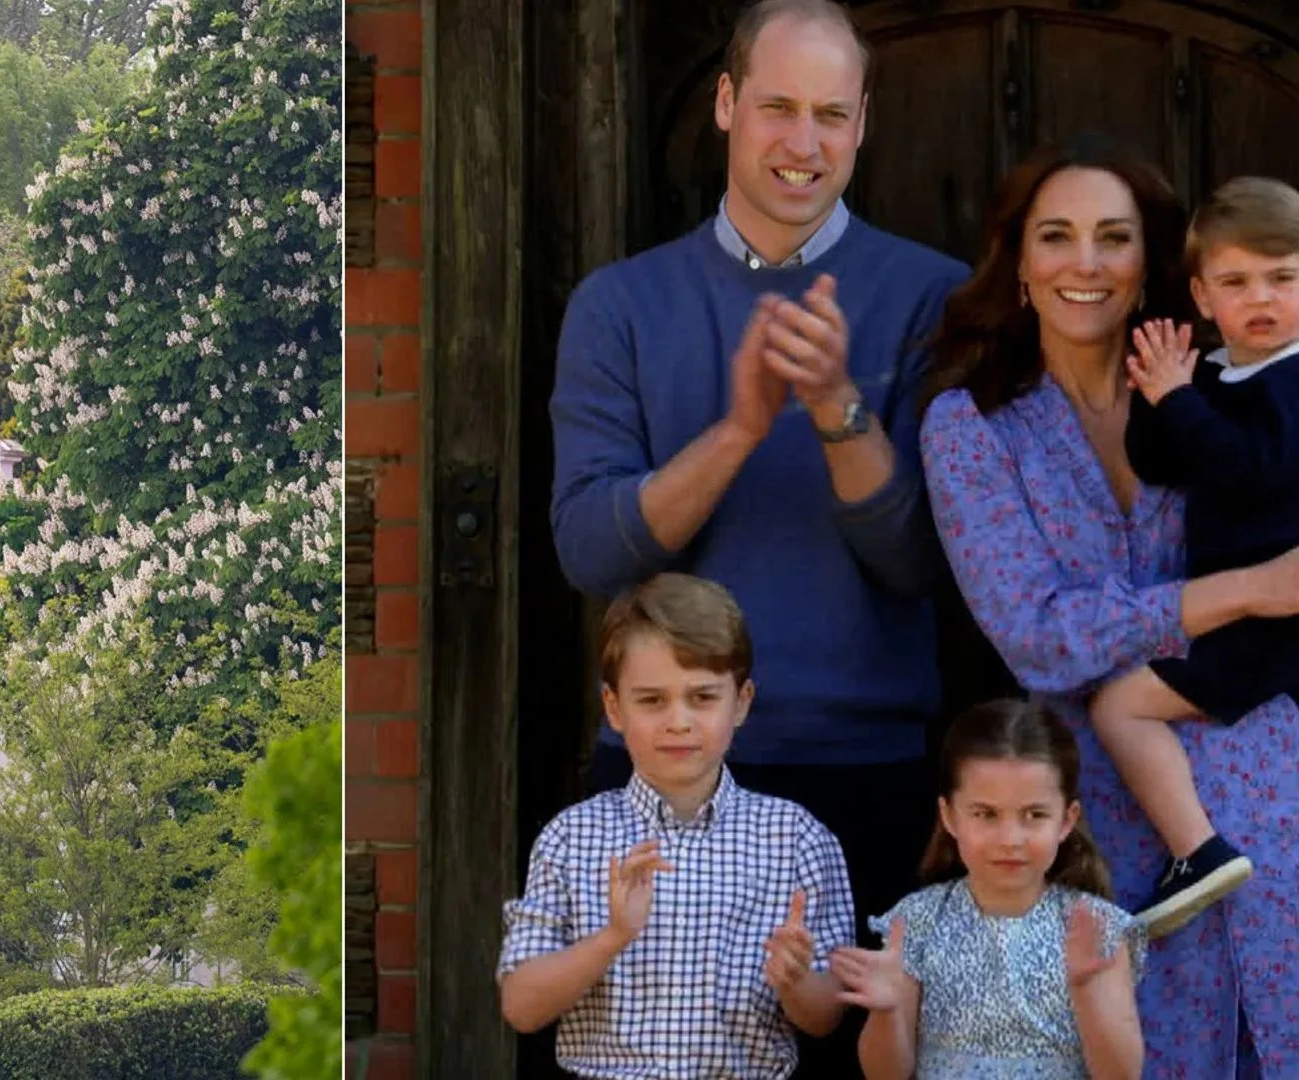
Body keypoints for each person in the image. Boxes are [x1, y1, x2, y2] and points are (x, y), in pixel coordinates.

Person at [548, 2, 965, 1069]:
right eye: (778, 107)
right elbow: (591, 554)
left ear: (864, 123)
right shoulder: (620, 305)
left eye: (832, 114)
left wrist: (834, 408)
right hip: (660, 781)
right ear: (727, 105)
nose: (804, 142)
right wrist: (738, 428)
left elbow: (923, 560)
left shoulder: (934, 299)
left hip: (869, 772)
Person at [920, 132, 1299, 1075]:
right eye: (1056, 237)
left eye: (1113, 238)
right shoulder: (971, 426)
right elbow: (1040, 636)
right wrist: (1248, 591)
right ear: (1019, 266)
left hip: (1271, 776)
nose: (1085, 264)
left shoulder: (1223, 394)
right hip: (1091, 820)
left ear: (1152, 267)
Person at [498, 573, 855, 1079]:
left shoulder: (797, 839)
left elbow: (826, 1019)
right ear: (614, 708)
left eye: (703, 697)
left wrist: (795, 981)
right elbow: (521, 1006)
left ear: (743, 701)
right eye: (652, 700)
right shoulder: (571, 838)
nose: (679, 721)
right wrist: (613, 936)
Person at [1087, 177, 1299, 936]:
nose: (1262, 298)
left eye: (1283, 278)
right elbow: (1161, 462)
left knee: (1120, 705)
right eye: (1237, 282)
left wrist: (1181, 399)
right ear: (1204, 299)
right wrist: (1158, 392)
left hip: (1275, 621)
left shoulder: (1295, 377)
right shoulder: (1215, 374)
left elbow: (1250, 470)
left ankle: (1198, 851)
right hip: (1239, 611)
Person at [834, 699, 1146, 1079]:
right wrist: (887, 1011)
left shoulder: (1097, 928)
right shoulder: (915, 922)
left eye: (1034, 815)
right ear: (949, 815)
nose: (1010, 839)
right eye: (986, 814)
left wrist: (1087, 992)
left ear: (1067, 820)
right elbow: (887, 1075)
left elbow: (1122, 1075)